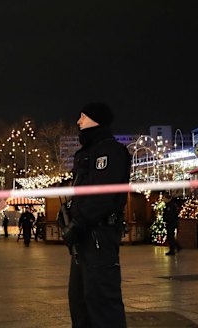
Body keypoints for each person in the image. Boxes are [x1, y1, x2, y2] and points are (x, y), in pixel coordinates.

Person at [62, 103, 131, 327]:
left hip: (99, 235)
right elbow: (84, 192)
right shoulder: (88, 152)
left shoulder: (111, 152)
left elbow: (101, 197)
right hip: (84, 238)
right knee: (80, 301)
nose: (78, 122)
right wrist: (69, 214)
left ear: (96, 120)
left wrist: (77, 223)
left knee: (102, 302)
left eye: (83, 117)